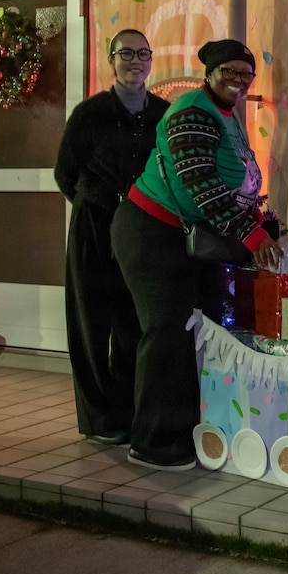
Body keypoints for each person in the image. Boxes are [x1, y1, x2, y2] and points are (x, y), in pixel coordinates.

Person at [111, 39, 282, 471]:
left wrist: (258, 219)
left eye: (246, 74)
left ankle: (193, 431)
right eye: (230, 72)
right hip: (152, 232)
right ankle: (153, 444)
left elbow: (234, 179)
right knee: (168, 333)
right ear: (210, 73)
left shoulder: (226, 114)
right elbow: (200, 182)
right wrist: (251, 234)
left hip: (186, 236)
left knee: (200, 330)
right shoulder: (192, 110)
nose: (239, 81)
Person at [54, 29, 169, 446]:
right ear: (111, 60)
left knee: (132, 320)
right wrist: (98, 205)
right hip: (94, 227)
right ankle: (100, 417)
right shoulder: (91, 113)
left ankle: (129, 410)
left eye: (142, 54)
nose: (135, 61)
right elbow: (65, 173)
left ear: (151, 60)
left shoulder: (163, 114)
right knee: (90, 320)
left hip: (141, 230)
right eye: (126, 54)